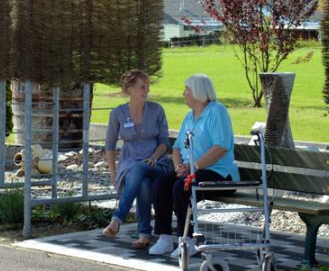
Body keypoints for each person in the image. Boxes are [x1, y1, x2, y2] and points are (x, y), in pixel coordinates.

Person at [149, 74, 240, 256]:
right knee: (160, 184)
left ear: (198, 92)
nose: (183, 93)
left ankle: (187, 241)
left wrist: (194, 166)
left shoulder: (217, 111)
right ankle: (165, 238)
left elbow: (221, 147)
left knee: (182, 186)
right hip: (191, 170)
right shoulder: (189, 116)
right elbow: (176, 148)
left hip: (220, 173)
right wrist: (178, 167)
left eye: (187, 89)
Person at [101, 69, 171, 249]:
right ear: (129, 89)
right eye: (142, 87)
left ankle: (117, 218)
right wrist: (113, 172)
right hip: (130, 164)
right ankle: (144, 234)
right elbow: (109, 145)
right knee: (143, 183)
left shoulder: (156, 110)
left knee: (139, 169)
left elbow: (164, 142)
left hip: (157, 163)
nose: (146, 90)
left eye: (147, 86)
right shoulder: (117, 113)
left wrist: (154, 157)